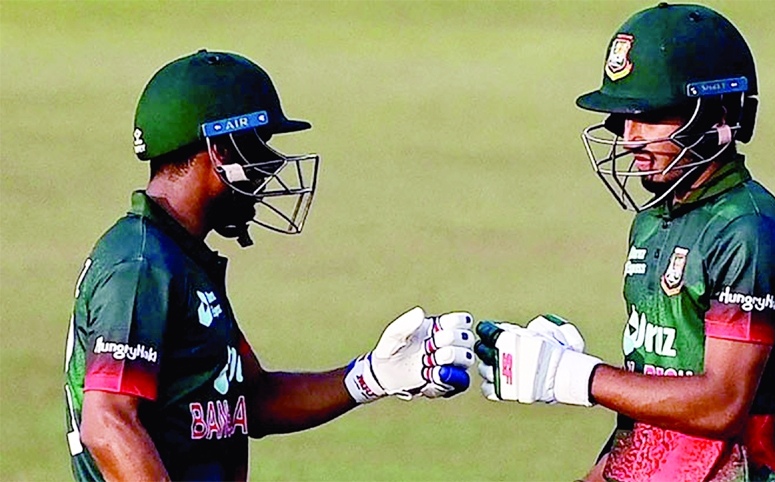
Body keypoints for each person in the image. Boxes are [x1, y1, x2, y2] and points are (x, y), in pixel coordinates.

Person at [62, 49, 476, 481]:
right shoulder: (142, 265)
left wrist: (371, 375)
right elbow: (108, 423)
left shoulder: (181, 259)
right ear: (219, 148)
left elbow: (251, 399)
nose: (270, 167)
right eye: (260, 146)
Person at [475, 4, 775, 481]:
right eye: (623, 120)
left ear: (718, 115)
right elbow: (643, 420)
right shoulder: (652, 221)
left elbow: (723, 404)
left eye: (649, 117)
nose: (630, 139)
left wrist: (572, 375)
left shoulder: (747, 230)